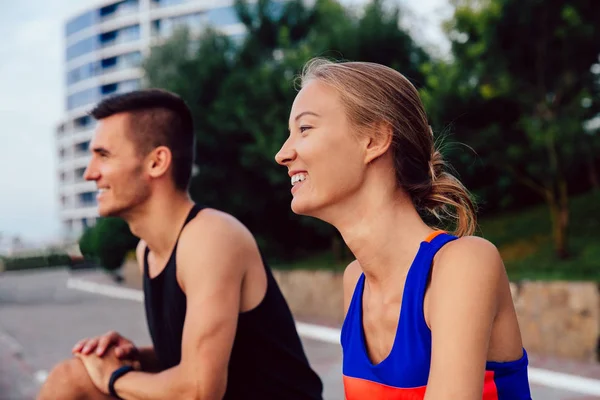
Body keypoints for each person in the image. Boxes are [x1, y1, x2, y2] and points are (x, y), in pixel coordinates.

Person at [37, 89, 323, 400]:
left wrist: (113, 377)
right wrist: (134, 358)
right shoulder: (149, 250)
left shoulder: (210, 238)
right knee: (73, 375)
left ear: (157, 162)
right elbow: (206, 355)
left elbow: (199, 391)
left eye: (103, 155)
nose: (90, 173)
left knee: (75, 380)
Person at [275, 58, 532, 399]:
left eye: (305, 129)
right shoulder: (356, 282)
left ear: (374, 139)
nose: (282, 154)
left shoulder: (461, 265)